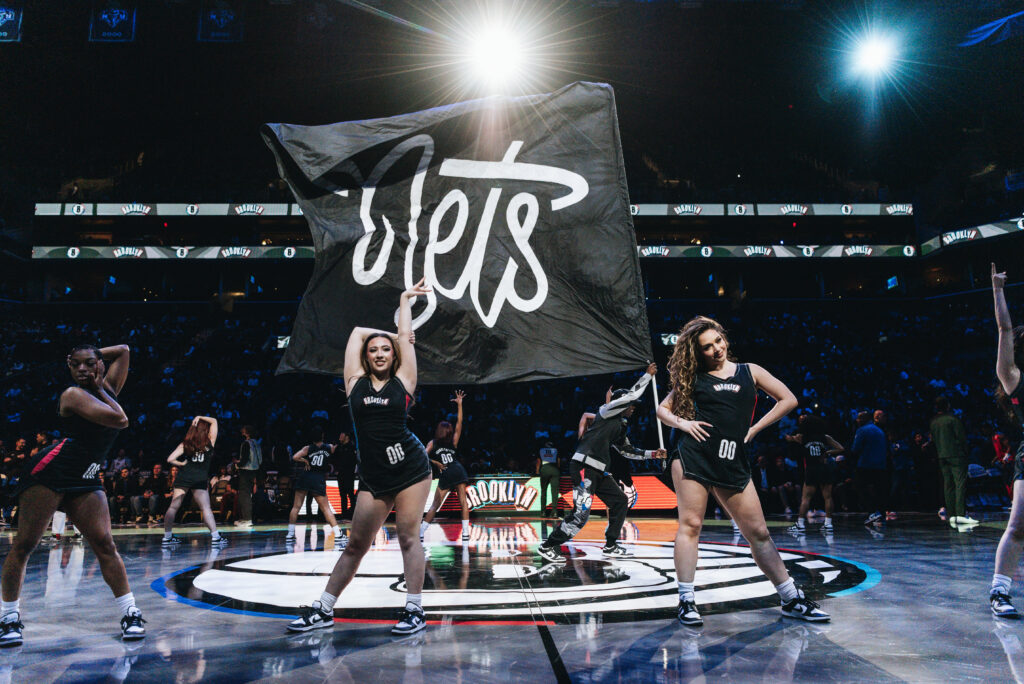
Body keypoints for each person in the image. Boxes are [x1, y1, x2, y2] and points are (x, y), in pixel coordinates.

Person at [656, 316, 829, 627]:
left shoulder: (751, 371)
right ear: (698, 352)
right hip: (694, 455)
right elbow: (662, 410)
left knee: (759, 533)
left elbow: (788, 399)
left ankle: (791, 599)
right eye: (707, 347)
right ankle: (686, 601)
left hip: (732, 458)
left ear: (725, 338)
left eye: (718, 341)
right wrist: (684, 424)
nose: (716, 349)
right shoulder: (694, 378)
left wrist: (756, 428)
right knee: (691, 525)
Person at [287, 279, 433, 637]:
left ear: (394, 354)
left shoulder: (404, 380)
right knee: (355, 544)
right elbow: (355, 333)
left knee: (409, 538)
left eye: (387, 349)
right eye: (374, 350)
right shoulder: (354, 382)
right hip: (373, 475)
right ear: (366, 357)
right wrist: (392, 332)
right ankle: (323, 609)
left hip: (411, 469)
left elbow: (402, 341)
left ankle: (414, 610)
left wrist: (404, 306)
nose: (380, 353)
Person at [0, 343, 145, 647]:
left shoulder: (103, 384)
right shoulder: (73, 395)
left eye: (88, 363)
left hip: (86, 476)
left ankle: (130, 612)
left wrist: (96, 359)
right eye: (74, 364)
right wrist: (100, 382)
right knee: (25, 545)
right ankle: (8, 618)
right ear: (69, 367)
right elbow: (121, 420)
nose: (81, 369)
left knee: (105, 544)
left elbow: (124, 350)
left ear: (98, 365)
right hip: (51, 473)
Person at [537, 364, 667, 562]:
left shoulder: (619, 425)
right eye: (630, 404)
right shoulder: (606, 411)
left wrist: (653, 454)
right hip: (584, 467)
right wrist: (647, 376)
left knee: (620, 501)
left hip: (598, 470)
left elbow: (627, 450)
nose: (633, 407)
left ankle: (611, 545)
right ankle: (548, 546)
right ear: (620, 404)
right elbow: (630, 396)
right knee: (581, 514)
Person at [990, 263, 1024, 618]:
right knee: (1017, 527)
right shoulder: (1015, 378)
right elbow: (1004, 327)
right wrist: (998, 290)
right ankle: (1000, 591)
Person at [161, 416, 227, 547]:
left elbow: (170, 459)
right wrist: (199, 417)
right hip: (200, 478)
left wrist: (182, 463)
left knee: (173, 507)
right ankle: (215, 537)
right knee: (206, 508)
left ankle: (167, 537)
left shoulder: (186, 444)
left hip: (184, 476)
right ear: (206, 430)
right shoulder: (209, 443)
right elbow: (214, 420)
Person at [420, 391, 472, 541]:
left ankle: (421, 533)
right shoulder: (453, 442)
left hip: (447, 472)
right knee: (463, 502)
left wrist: (435, 462)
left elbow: (422, 456)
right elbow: (459, 423)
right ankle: (466, 533)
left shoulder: (433, 443)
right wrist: (460, 405)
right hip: (458, 470)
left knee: (435, 505)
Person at [286, 426, 344, 543]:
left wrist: (305, 460)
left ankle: (290, 534)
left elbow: (295, 457)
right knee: (326, 509)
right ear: (322, 435)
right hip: (318, 478)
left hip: (306, 477)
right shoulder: (330, 448)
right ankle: (338, 534)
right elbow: (339, 446)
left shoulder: (307, 448)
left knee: (296, 507)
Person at [787, 415, 843, 535]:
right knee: (828, 497)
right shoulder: (825, 437)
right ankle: (828, 524)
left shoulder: (802, 437)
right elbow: (840, 448)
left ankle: (800, 524)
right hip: (824, 468)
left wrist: (789, 437)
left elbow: (789, 438)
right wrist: (827, 452)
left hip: (811, 469)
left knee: (806, 498)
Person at [931, 396, 974, 527]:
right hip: (956, 455)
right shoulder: (953, 420)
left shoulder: (933, 422)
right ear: (947, 406)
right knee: (960, 484)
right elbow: (961, 438)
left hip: (941, 455)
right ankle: (961, 514)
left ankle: (952, 514)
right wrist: (966, 452)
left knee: (948, 484)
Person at [851, 411, 888, 525]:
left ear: (863, 419)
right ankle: (880, 513)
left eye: (858, 418)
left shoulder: (862, 430)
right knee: (879, 490)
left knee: (860, 487)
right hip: (880, 465)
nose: (857, 420)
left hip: (865, 465)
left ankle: (872, 512)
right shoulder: (879, 430)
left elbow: (855, 449)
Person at [235, 425, 262, 528]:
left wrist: (237, 464)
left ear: (247, 432)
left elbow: (245, 460)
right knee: (247, 495)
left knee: (244, 495)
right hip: (255, 470)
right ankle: (245, 518)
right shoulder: (257, 443)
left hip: (246, 471)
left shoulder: (246, 443)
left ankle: (247, 519)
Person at [335, 431, 357, 520]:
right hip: (340, 475)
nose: (340, 436)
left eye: (341, 435)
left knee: (351, 495)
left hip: (349, 475)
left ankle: (353, 516)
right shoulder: (338, 447)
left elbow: (355, 461)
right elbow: (334, 459)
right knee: (342, 495)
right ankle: (344, 515)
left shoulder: (352, 447)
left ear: (347, 436)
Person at [537, 441, 561, 518]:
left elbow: (538, 461)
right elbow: (558, 461)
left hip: (545, 469)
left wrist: (537, 471)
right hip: (554, 469)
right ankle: (554, 513)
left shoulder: (541, 450)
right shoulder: (556, 450)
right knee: (554, 492)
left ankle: (543, 512)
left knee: (544, 491)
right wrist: (558, 469)